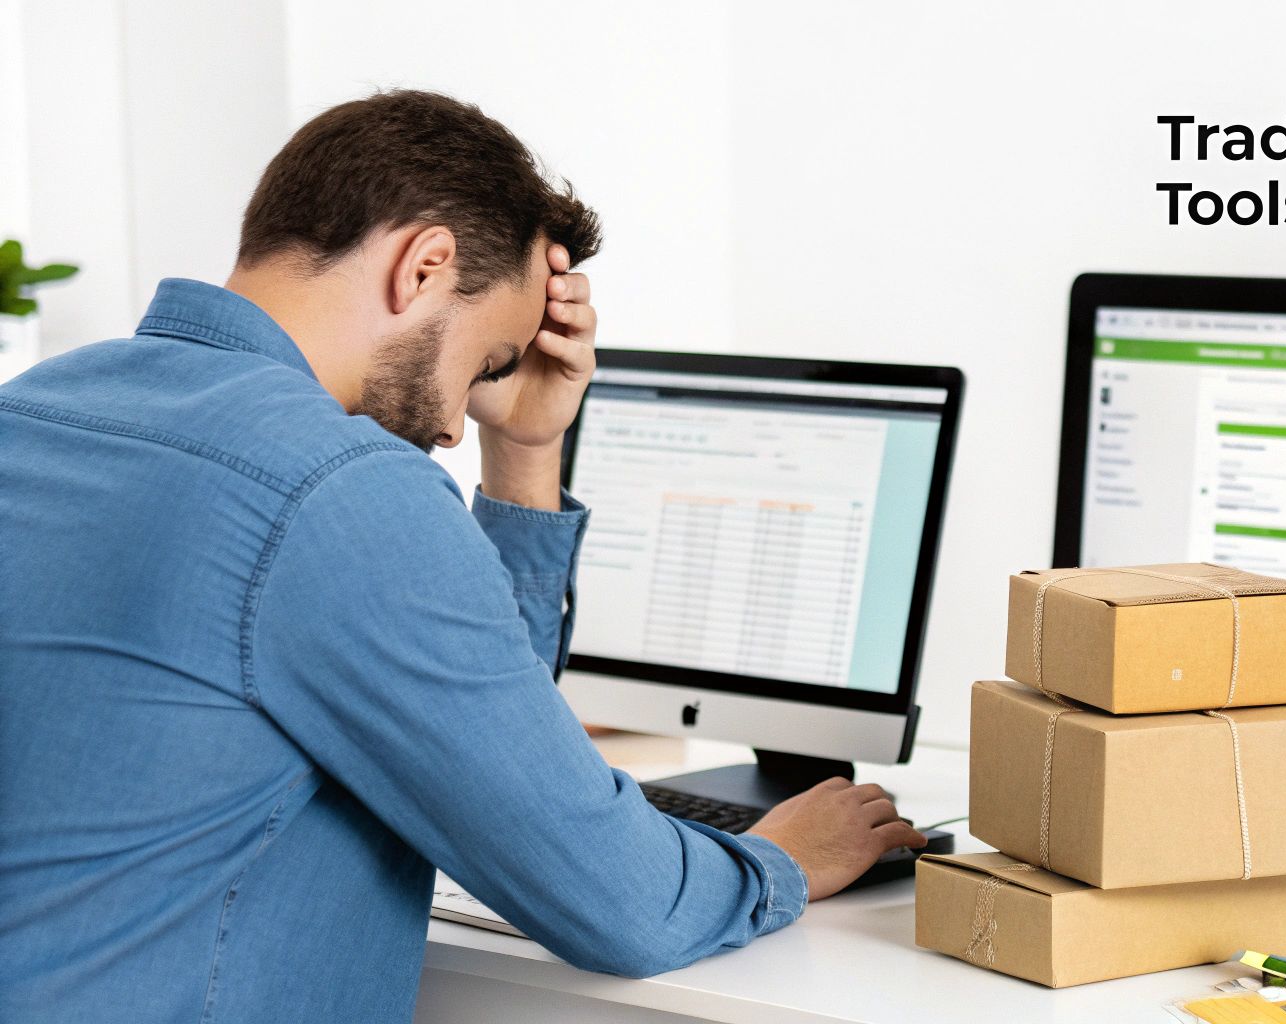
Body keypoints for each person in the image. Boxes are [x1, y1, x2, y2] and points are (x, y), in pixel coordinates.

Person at [0, 90, 924, 1023]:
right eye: (488, 363)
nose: (451, 426)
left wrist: (522, 449)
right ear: (425, 264)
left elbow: (474, 740)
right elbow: (622, 904)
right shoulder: (336, 484)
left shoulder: (31, 412)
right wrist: (783, 860)